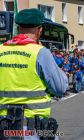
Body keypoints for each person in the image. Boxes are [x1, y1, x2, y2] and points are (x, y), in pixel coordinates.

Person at [0, 8, 68, 139]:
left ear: (18, 28)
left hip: (4, 127)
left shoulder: (1, 50)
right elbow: (60, 88)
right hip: (33, 129)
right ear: (39, 29)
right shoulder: (40, 52)